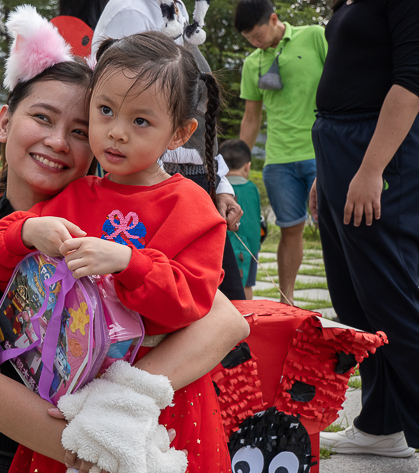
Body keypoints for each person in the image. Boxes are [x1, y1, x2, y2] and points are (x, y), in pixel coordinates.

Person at [0, 7, 248, 473]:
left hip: (153, 410)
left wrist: (130, 263)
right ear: (4, 121)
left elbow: (217, 310)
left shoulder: (187, 205)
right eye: (104, 114)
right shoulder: (41, 213)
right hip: (40, 438)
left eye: (77, 128)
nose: (113, 132)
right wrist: (30, 231)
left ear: (178, 133)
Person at [309, 0, 419, 473]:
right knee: (352, 298)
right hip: (337, 146)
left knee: (394, 298)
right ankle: (380, 423)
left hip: (376, 147)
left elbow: (411, 80)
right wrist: (325, 174)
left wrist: (371, 169)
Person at [92, 0, 247, 302]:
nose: (117, 131)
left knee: (226, 304)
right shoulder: (132, 11)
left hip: (187, 184)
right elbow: (127, 101)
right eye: (105, 112)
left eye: (138, 121)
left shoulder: (178, 9)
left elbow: (189, 298)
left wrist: (218, 184)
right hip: (151, 181)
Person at [235, 0, 327, 305]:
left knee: (337, 230)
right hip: (279, 161)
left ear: (274, 19)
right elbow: (251, 117)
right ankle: (287, 301)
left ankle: (353, 298)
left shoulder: (315, 35)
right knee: (289, 230)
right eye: (249, 40)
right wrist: (238, 162)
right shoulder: (253, 63)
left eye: (257, 36)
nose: (255, 43)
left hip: (321, 154)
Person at [221, 140, 261, 300]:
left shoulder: (218, 190)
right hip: (250, 247)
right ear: (247, 166)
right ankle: (247, 320)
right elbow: (256, 220)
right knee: (246, 286)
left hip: (224, 248)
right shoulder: (252, 188)